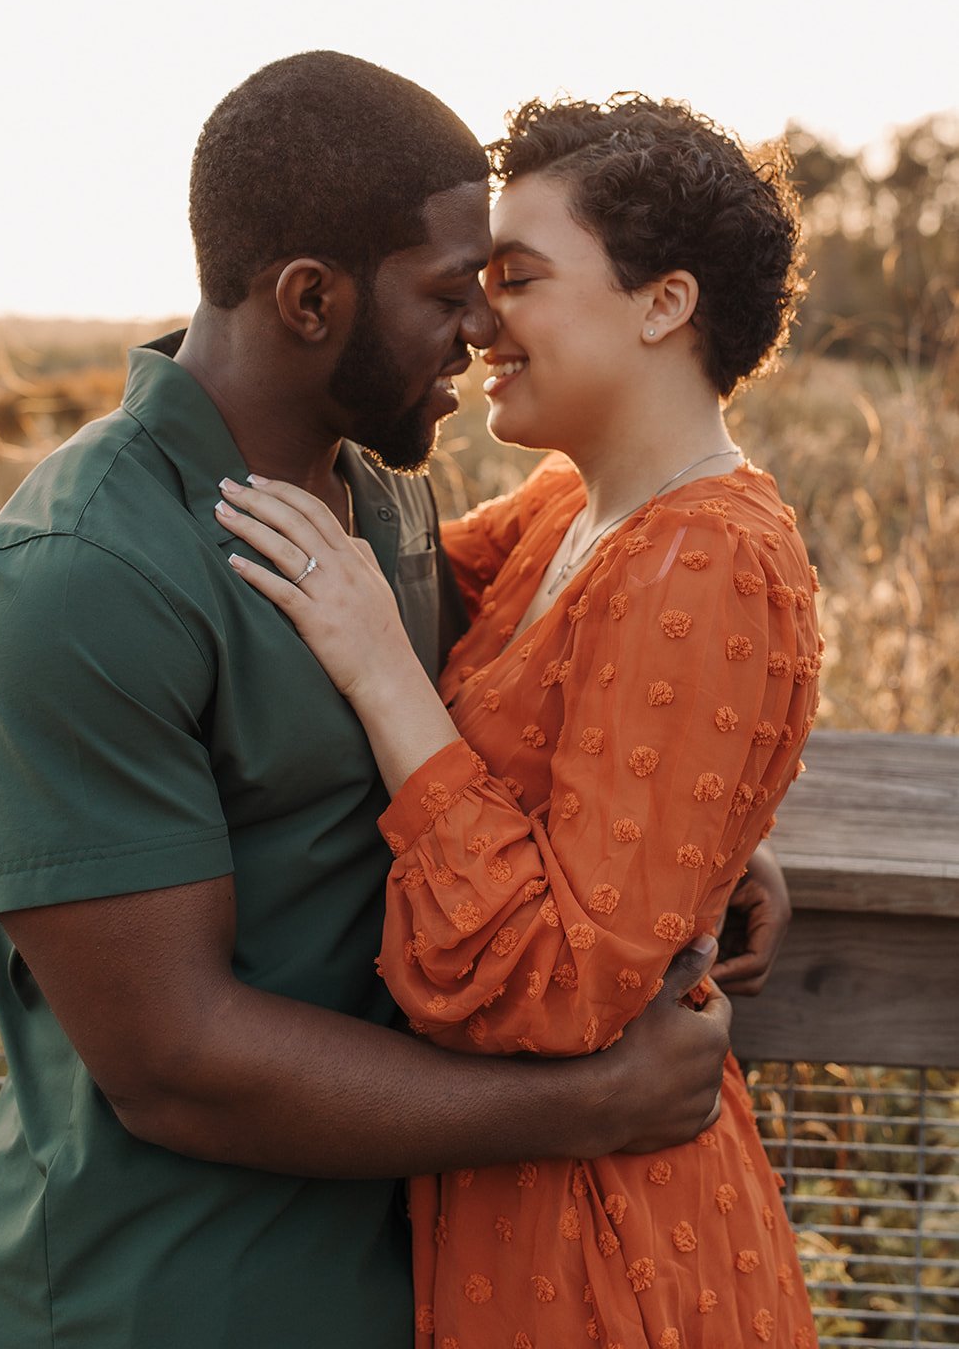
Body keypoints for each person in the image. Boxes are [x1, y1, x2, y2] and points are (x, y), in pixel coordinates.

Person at [0, 57, 747, 1349]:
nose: (480, 329)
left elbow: (536, 731)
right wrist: (593, 1105)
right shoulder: (81, 582)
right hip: (144, 1302)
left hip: (377, 1285)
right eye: (443, 293)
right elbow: (172, 1063)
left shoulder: (383, 500)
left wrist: (703, 855)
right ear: (309, 299)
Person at [218, 93, 821, 1348]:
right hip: (509, 1212)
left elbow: (562, 987)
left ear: (663, 303)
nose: (481, 319)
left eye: (521, 278)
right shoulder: (567, 510)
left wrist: (385, 678)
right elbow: (559, 730)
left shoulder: (707, 557)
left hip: (608, 1252)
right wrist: (701, 841)